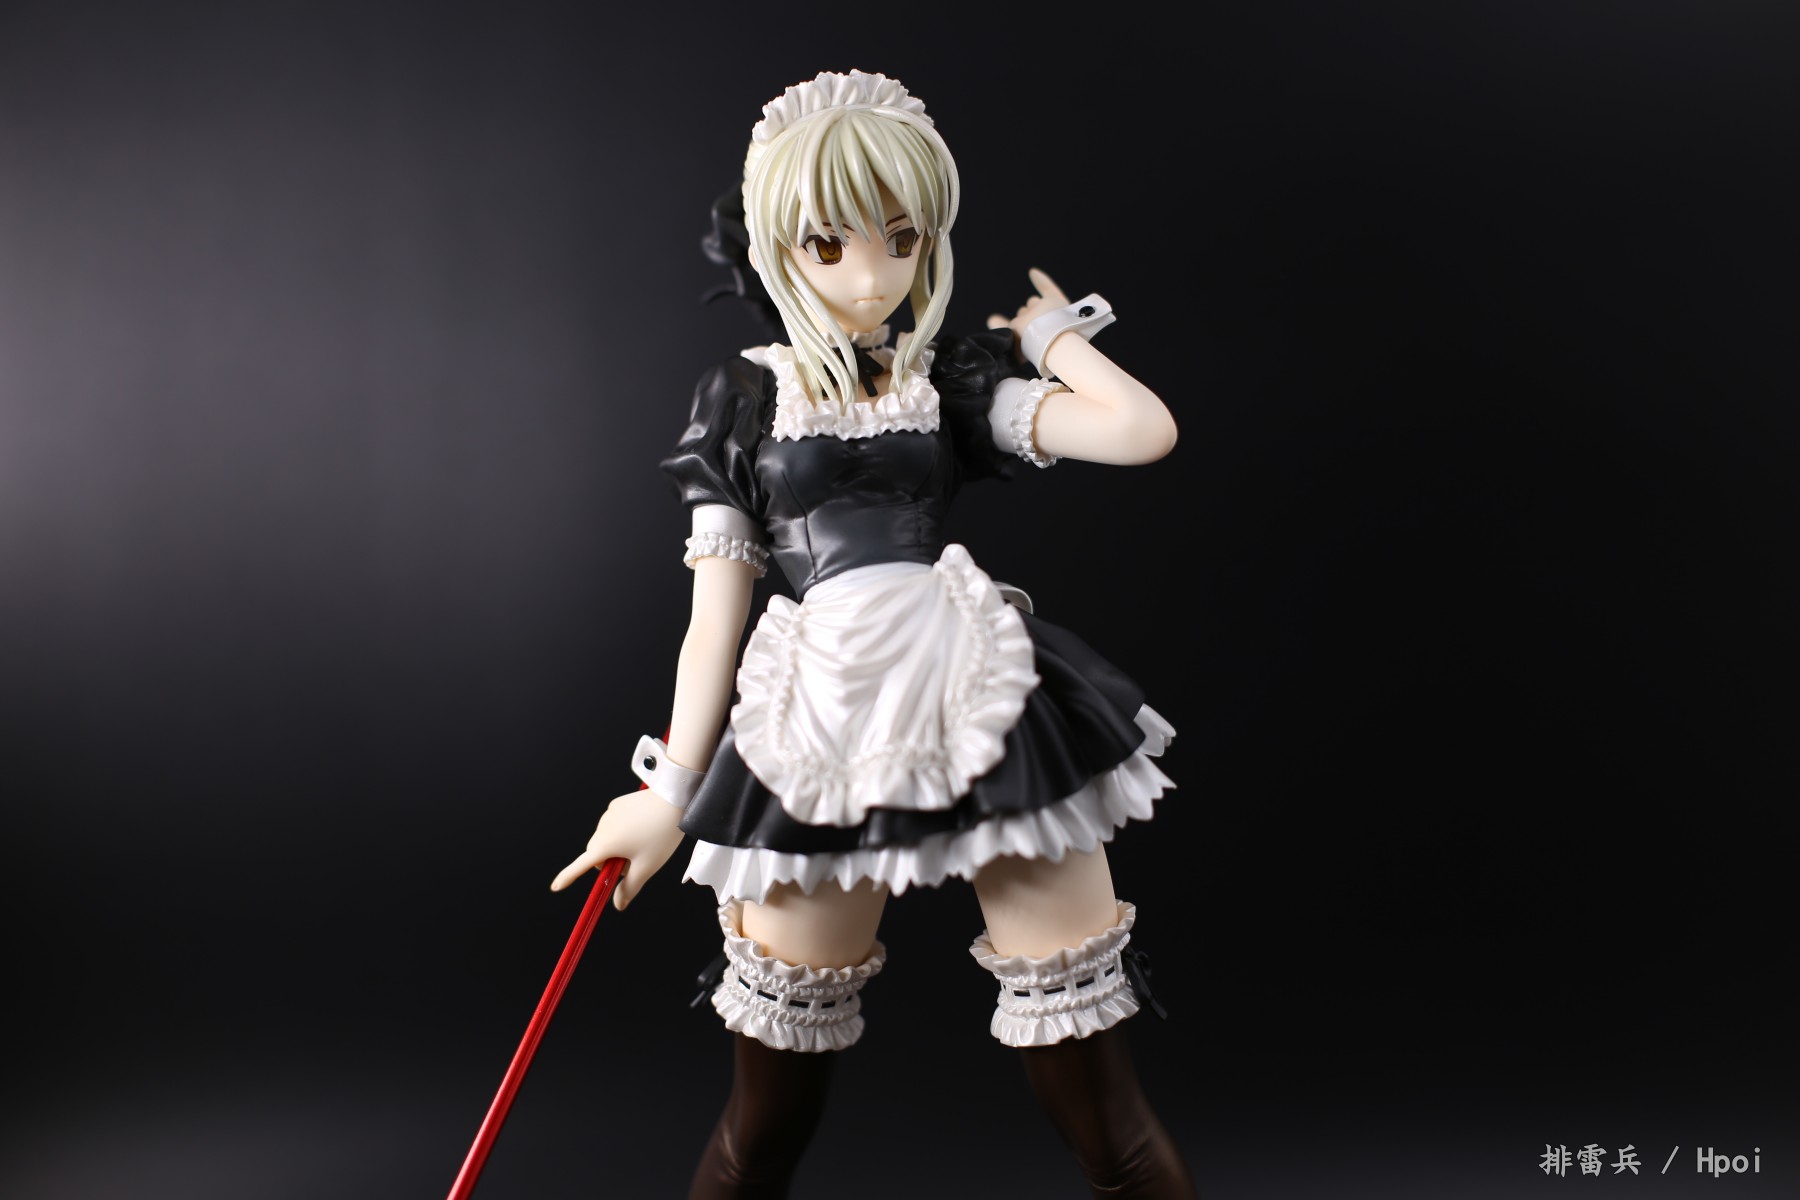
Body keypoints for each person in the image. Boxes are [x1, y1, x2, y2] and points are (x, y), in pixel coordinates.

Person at [551, 69, 1196, 1198]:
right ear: (778, 247)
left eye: (903, 240)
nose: (873, 277)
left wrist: (1051, 337)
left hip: (976, 697)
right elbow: (714, 622)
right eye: (830, 244)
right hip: (817, 722)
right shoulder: (742, 399)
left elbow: (1141, 431)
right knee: (763, 1127)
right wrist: (669, 790)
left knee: (1106, 1111)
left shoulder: (945, 380)